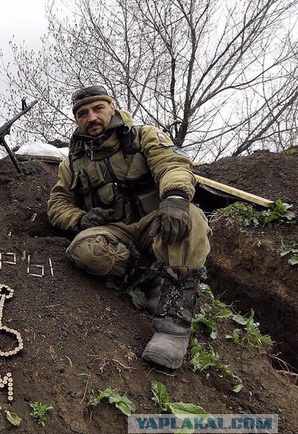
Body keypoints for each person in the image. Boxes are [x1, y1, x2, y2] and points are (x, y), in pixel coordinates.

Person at [47, 85, 211, 369]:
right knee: (84, 249)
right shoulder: (72, 162)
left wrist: (174, 197)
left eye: (98, 108)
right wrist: (79, 219)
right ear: (77, 120)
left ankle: (173, 326)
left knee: (191, 218)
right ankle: (151, 277)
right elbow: (57, 201)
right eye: (82, 113)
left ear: (112, 107)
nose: (91, 117)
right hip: (117, 233)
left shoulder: (143, 136)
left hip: (155, 223)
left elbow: (172, 163)